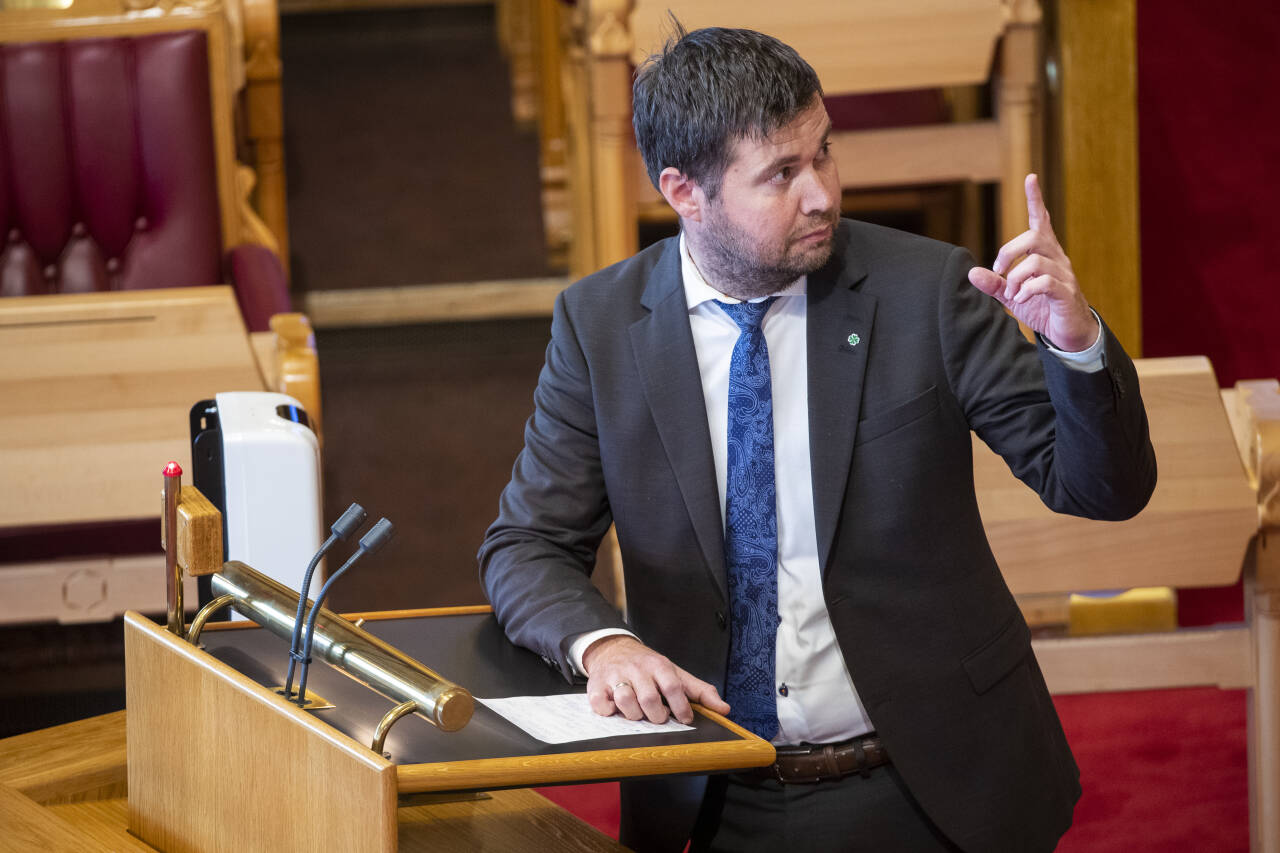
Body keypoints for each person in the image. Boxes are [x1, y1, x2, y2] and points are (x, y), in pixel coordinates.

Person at [479, 24, 1156, 853]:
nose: (823, 193)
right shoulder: (601, 327)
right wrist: (607, 644)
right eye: (782, 174)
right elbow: (526, 545)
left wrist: (1074, 339)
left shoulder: (925, 292)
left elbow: (1103, 488)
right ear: (683, 192)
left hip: (933, 787)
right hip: (723, 796)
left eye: (824, 153)